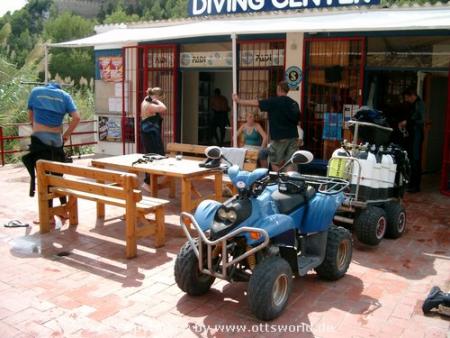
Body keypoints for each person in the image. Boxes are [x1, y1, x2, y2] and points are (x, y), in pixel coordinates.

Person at [22, 81, 80, 222]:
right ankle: (64, 211)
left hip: (40, 140)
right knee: (57, 176)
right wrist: (66, 135)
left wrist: (35, 126)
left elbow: (30, 116)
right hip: (57, 142)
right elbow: (77, 118)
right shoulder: (65, 96)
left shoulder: (36, 92)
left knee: (44, 178)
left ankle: (48, 216)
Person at [233, 81, 300, 171]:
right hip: (293, 137)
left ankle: (278, 182)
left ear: (279, 89)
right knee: (290, 162)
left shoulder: (274, 101)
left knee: (275, 161)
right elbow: (298, 120)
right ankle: (289, 183)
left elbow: (256, 103)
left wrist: (239, 101)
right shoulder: (294, 103)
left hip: (280, 138)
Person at [140, 87, 167, 191]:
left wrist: (155, 99)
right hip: (149, 132)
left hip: (151, 132)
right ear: (156, 96)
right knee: (152, 155)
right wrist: (158, 100)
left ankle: (152, 179)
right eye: (160, 97)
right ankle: (147, 182)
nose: (161, 100)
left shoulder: (147, 100)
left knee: (157, 154)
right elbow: (164, 108)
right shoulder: (148, 104)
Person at [401, 87, 425, 193]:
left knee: (415, 159)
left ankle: (416, 186)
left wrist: (408, 122)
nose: (407, 100)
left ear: (412, 95)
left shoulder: (419, 104)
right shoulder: (413, 105)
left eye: (407, 98)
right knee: (411, 159)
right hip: (412, 134)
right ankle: (411, 184)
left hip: (417, 134)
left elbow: (422, 120)